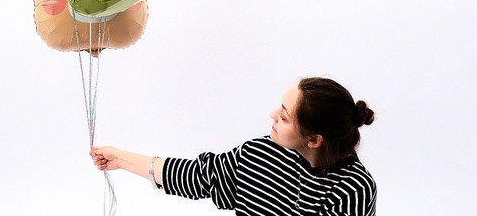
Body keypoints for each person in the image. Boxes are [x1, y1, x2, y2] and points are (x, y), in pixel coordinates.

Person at [90, 77, 376, 215]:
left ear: (313, 140)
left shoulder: (353, 189)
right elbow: (196, 176)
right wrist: (121, 159)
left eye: (284, 117)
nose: (272, 116)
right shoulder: (261, 153)